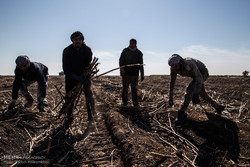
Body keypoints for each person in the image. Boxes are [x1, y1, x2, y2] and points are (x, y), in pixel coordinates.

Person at [168, 54, 225, 125]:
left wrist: (195, 93)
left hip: (202, 73)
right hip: (195, 76)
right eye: (172, 67)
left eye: (176, 66)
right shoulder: (173, 68)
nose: (174, 68)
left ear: (180, 62)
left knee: (190, 89)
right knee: (203, 94)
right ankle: (218, 107)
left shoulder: (189, 64)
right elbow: (172, 81)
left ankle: (182, 111)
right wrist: (170, 96)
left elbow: (199, 78)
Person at [62, 31, 95, 119]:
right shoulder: (67, 51)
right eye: (75, 39)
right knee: (69, 97)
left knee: (89, 95)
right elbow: (66, 69)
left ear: (82, 40)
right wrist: (76, 77)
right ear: (72, 40)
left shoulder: (87, 50)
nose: (78, 41)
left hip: (84, 76)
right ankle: (69, 115)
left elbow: (88, 63)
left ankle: (92, 116)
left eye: (79, 39)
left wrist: (85, 74)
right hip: (71, 77)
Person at [119, 38, 144, 108]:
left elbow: (141, 65)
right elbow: (121, 61)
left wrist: (142, 74)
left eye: (132, 43)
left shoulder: (139, 53)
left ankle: (135, 104)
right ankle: (124, 103)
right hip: (126, 74)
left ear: (135, 44)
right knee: (125, 89)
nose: (131, 44)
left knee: (134, 90)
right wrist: (122, 71)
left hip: (135, 75)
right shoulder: (125, 51)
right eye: (130, 43)